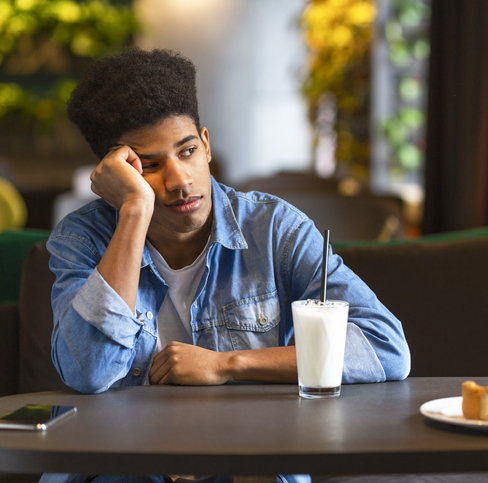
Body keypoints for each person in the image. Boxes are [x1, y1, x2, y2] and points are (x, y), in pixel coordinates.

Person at [42, 47, 410, 483]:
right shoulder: (80, 239)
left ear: (207, 144)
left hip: (249, 463)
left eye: (187, 151)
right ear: (115, 174)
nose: (180, 181)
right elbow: (88, 372)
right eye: (151, 167)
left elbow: (386, 348)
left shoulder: (274, 229)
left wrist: (226, 365)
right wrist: (134, 213)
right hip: (126, 468)